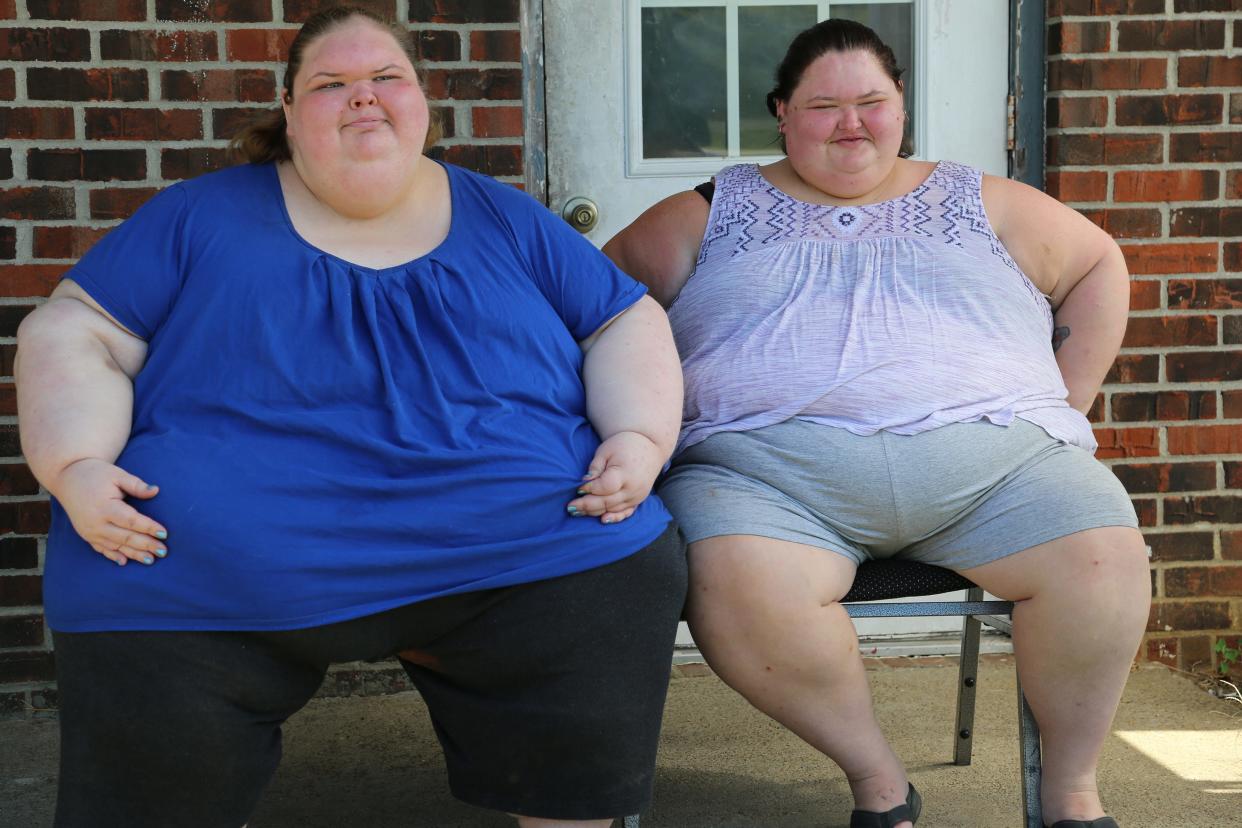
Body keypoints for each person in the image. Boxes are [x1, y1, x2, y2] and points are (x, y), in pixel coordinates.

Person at [16, 6, 686, 827]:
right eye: (331, 84)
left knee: (621, 564)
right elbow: (73, 329)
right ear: (291, 112)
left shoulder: (504, 216)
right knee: (119, 590)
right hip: (216, 564)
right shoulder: (198, 215)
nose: (362, 98)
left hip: (516, 547)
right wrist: (74, 465)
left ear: (421, 104)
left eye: (385, 78)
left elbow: (623, 317)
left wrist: (640, 438)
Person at [605, 18, 1149, 828]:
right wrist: (638, 426)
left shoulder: (978, 199)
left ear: (901, 106)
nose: (851, 123)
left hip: (999, 475)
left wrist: (1064, 404)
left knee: (1105, 560)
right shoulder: (708, 213)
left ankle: (1070, 793)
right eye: (825, 105)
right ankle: (878, 782)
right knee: (735, 590)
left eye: (873, 101)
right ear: (781, 113)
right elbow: (598, 305)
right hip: (768, 483)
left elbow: (1099, 263)